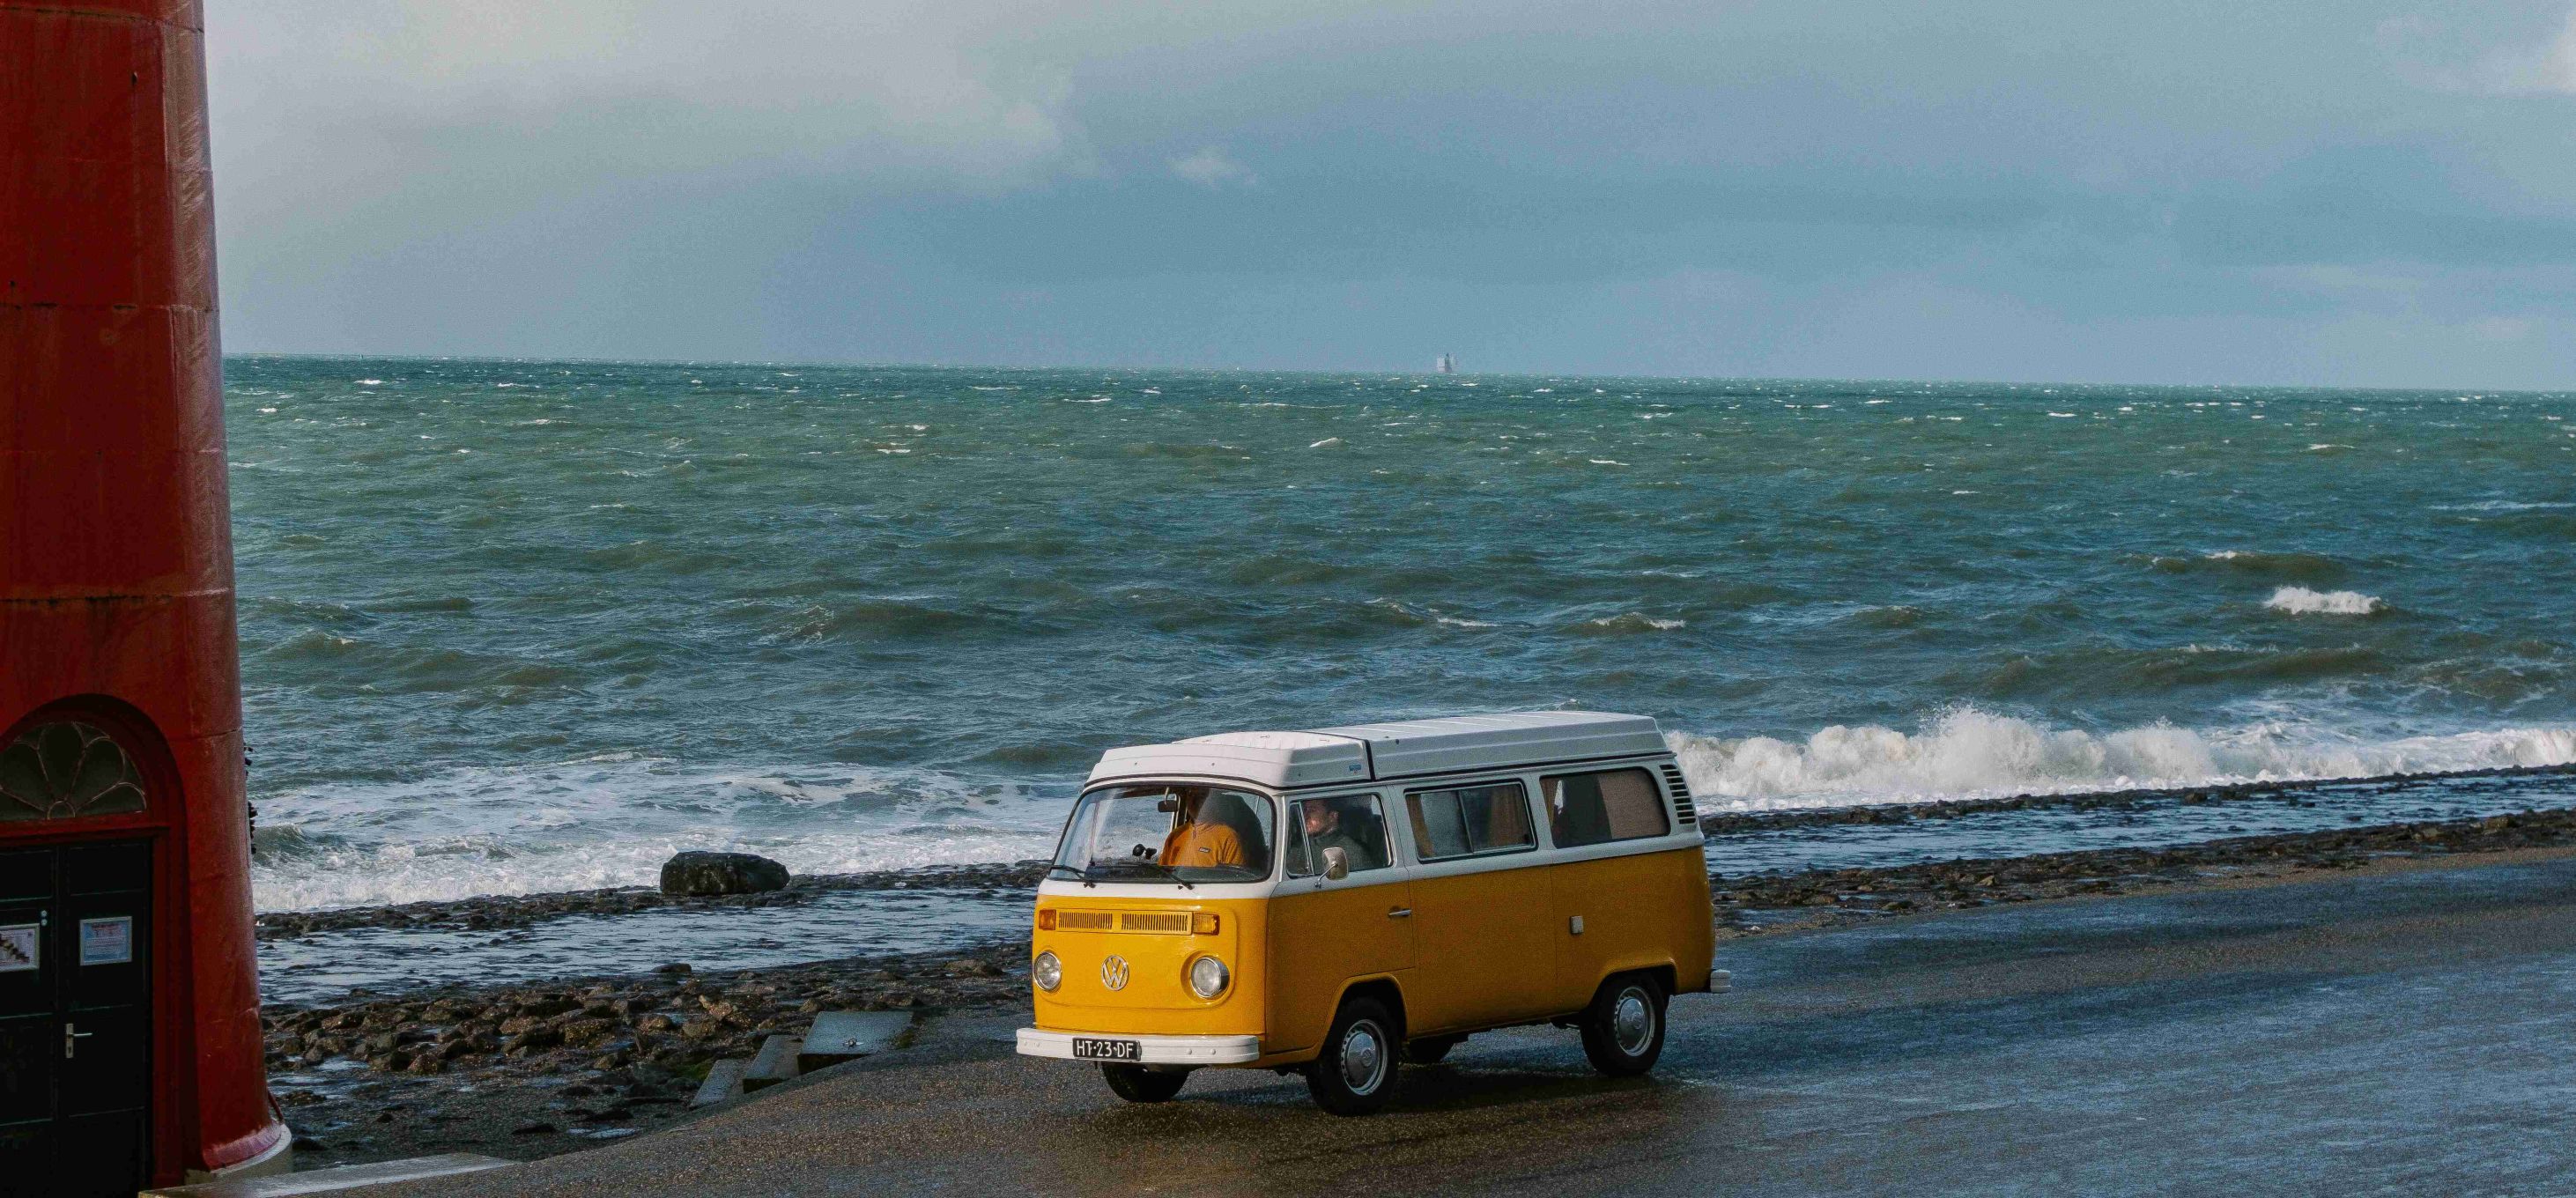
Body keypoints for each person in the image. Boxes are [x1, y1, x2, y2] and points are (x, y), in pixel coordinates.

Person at [1159, 791, 1246, 869]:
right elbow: (1162, 874)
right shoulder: (1175, 835)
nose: (1193, 801)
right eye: (1190, 795)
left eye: (1201, 796)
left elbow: (1235, 879)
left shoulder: (1229, 838)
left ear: (1213, 801)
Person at [1299, 798, 1381, 873]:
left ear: (1332, 816)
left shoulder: (1353, 852)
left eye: (1312, 810)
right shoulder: (1302, 849)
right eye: (1305, 810)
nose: (1305, 816)